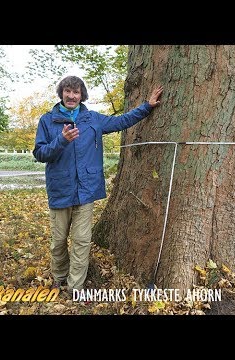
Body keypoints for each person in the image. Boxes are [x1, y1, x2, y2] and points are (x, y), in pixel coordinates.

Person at [33, 75, 163, 296]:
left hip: (86, 190)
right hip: (60, 189)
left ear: (82, 95)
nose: (72, 96)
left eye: (76, 92)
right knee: (58, 242)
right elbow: (40, 153)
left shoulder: (92, 119)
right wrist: (62, 140)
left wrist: (147, 106)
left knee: (82, 241)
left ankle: (76, 287)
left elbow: (122, 121)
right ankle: (59, 277)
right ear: (61, 93)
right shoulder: (48, 120)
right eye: (68, 91)